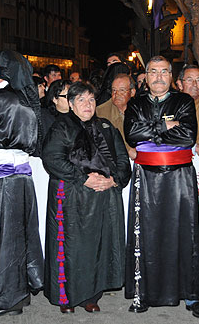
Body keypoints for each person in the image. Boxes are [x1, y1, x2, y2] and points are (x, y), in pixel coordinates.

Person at [123, 56, 199, 318]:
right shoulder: (136, 103)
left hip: (179, 177)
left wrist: (151, 131)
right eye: (153, 72)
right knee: (145, 234)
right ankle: (143, 293)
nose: (158, 77)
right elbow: (132, 135)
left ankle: (192, 297)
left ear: (171, 76)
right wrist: (165, 126)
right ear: (146, 76)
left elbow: (188, 136)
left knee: (186, 234)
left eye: (164, 72)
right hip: (147, 177)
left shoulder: (183, 101)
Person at [42, 81, 131, 314]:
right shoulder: (61, 127)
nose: (87, 104)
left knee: (97, 247)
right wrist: (83, 178)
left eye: (91, 99)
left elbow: (122, 159)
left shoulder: (106, 126)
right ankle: (67, 297)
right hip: (71, 196)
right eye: (81, 100)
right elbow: (53, 159)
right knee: (71, 247)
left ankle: (91, 295)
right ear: (70, 104)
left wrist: (113, 180)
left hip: (103, 197)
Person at [0, 50, 44, 316]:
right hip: (21, 179)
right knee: (19, 236)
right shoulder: (26, 99)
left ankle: (3, 297)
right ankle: (18, 295)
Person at [96, 73, 137, 159]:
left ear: (132, 92)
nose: (117, 94)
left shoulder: (140, 108)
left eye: (122, 90)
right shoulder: (100, 112)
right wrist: (128, 149)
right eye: (114, 90)